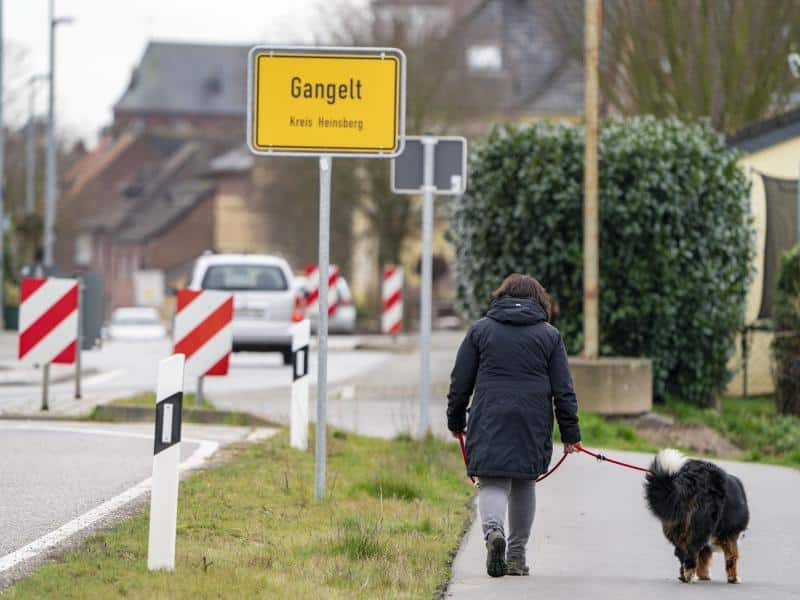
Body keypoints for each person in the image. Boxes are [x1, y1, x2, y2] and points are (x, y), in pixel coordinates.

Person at [447, 273, 581, 578]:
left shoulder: (481, 330)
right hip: (532, 420)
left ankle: (494, 533)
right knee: (523, 481)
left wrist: (456, 420)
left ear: (501, 296)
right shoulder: (550, 336)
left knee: (493, 480)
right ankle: (517, 557)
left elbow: (460, 381)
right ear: (540, 301)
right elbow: (564, 390)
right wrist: (571, 435)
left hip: (489, 415)